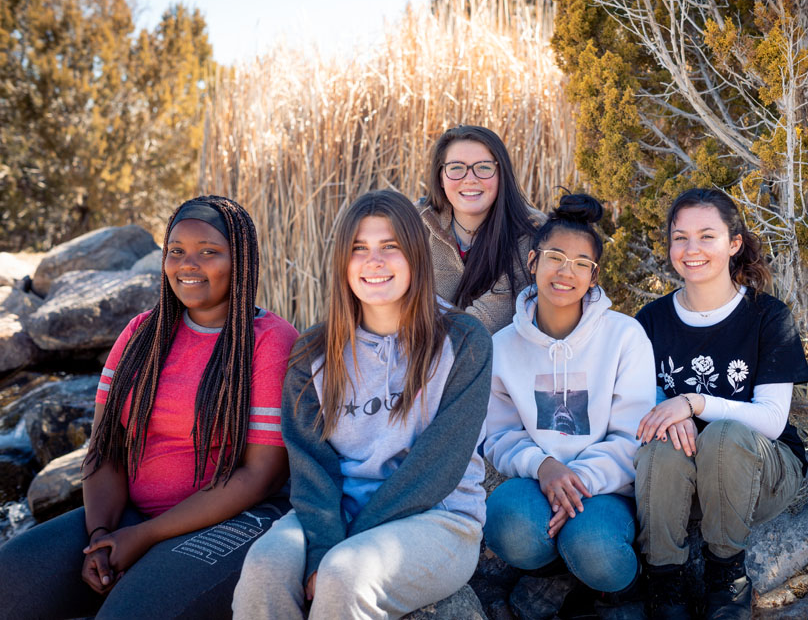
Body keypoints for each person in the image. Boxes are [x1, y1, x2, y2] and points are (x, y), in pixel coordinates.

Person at [0, 195, 298, 619]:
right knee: (12, 578)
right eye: (176, 251)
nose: (187, 264)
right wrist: (101, 534)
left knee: (130, 612)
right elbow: (105, 450)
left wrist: (143, 536)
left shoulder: (270, 342)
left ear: (242, 260)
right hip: (132, 516)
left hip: (235, 521)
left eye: (208, 252)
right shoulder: (142, 334)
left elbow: (259, 477)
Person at [232, 190, 492, 620]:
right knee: (264, 567)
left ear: (416, 256)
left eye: (389, 247)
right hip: (334, 512)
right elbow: (311, 465)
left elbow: (438, 465)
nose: (374, 262)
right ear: (343, 263)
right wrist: (322, 543)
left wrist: (339, 550)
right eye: (359, 249)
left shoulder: (463, 341)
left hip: (438, 520)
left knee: (344, 574)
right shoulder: (312, 352)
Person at [633, 188, 808, 620]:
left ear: (733, 243)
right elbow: (642, 409)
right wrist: (668, 412)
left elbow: (770, 420)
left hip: (756, 477)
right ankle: (664, 582)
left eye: (706, 236)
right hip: (677, 482)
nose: (691, 250)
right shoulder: (650, 320)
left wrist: (693, 403)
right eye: (680, 237)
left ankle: (726, 574)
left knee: (727, 435)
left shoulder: (768, 316)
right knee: (660, 441)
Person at [483, 193, 656, 618]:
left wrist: (575, 483)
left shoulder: (625, 337)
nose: (567, 272)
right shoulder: (502, 347)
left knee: (594, 544)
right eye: (555, 257)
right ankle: (560, 567)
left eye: (582, 263)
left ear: (594, 277)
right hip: (537, 482)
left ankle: (620, 585)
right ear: (532, 262)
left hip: (608, 488)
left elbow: (633, 435)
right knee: (505, 521)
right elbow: (499, 434)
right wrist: (544, 468)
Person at [418, 125, 542, 334]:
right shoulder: (415, 223)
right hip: (416, 358)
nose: (470, 179)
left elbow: (489, 318)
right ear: (441, 176)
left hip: (498, 361)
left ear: (501, 173)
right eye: (456, 167)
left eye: (484, 167)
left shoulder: (531, 231)